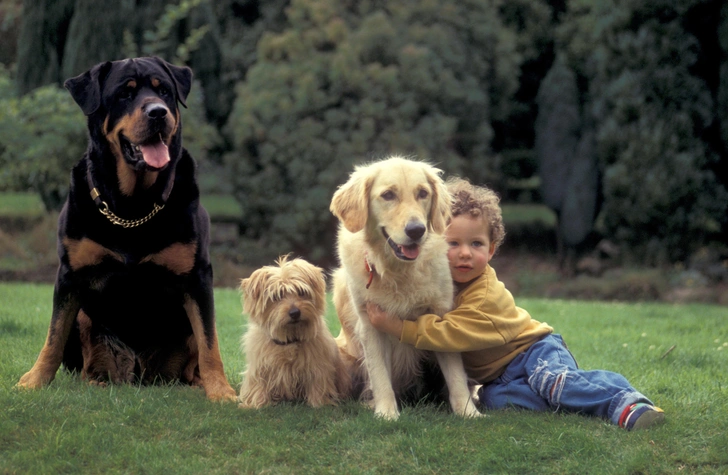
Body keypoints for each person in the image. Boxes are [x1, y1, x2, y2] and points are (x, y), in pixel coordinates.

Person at [365, 177, 665, 430]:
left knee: (554, 382)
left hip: (532, 352)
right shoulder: (441, 283)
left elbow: (449, 333)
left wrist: (395, 326)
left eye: (476, 244)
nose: (464, 254)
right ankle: (574, 406)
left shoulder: (484, 295)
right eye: (453, 244)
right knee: (500, 403)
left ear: (492, 249)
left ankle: (625, 403)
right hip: (497, 377)